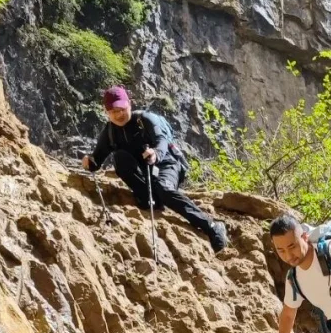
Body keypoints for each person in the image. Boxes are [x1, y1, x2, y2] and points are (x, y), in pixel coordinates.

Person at [81, 86, 228, 253]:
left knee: (163, 188)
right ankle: (149, 198)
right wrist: (89, 162)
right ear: (106, 111)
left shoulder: (145, 120)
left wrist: (156, 153)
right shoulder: (109, 132)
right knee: (119, 157)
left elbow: (161, 140)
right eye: (114, 111)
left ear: (130, 104)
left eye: (122, 109)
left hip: (166, 164)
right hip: (145, 173)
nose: (119, 114)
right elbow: (96, 160)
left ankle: (212, 226)